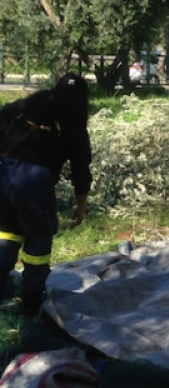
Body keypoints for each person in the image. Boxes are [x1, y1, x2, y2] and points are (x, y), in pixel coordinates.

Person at [0, 73, 92, 317]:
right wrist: (81, 209)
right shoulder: (73, 122)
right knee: (38, 239)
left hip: (6, 174)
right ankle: (31, 300)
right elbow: (80, 170)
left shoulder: (30, 104)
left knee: (7, 232)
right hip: (35, 181)